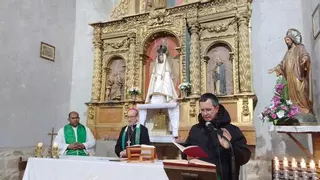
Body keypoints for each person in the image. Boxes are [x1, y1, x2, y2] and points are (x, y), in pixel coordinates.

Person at [182, 93, 251, 180]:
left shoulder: (231, 130)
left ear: (217, 108)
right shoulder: (195, 129)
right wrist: (186, 156)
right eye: (202, 110)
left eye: (208, 110)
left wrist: (229, 146)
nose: (205, 113)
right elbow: (186, 150)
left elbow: (245, 157)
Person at [268, 28, 313, 114]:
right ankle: (294, 110)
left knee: (300, 90)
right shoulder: (288, 52)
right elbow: (282, 63)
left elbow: (305, 55)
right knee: (291, 93)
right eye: (286, 40)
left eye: (288, 40)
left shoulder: (300, 48)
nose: (286, 42)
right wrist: (274, 69)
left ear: (292, 39)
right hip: (289, 75)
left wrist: (304, 60)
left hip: (297, 74)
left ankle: (304, 108)